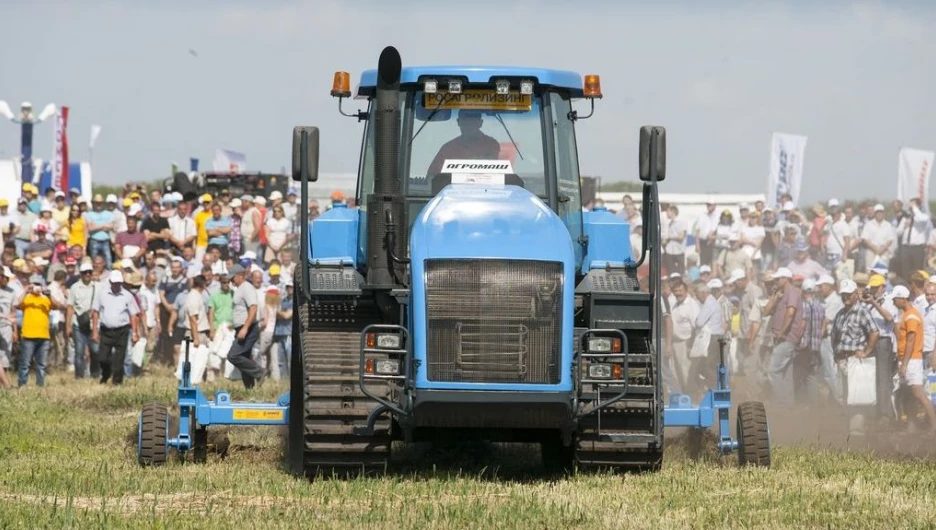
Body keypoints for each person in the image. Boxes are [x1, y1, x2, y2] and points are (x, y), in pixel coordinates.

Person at [889, 285, 936, 432]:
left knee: (918, 393)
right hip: (907, 359)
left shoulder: (911, 316)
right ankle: (912, 425)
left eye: (895, 299)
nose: (893, 302)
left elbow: (911, 341)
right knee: (906, 393)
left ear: (902, 299)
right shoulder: (908, 314)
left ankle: (934, 426)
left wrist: (904, 364)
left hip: (913, 359)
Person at [91, 270, 140, 385]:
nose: (117, 285)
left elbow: (134, 315)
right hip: (106, 330)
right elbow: (95, 312)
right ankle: (106, 373)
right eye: (114, 283)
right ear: (110, 282)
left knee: (119, 359)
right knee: (103, 357)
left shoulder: (128, 296)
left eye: (119, 283)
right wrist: (94, 331)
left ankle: (117, 382)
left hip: (122, 330)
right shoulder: (102, 294)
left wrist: (135, 332)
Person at [15, 274, 64, 387]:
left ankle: (40, 386)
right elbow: (17, 304)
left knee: (41, 364)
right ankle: (22, 385)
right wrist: (25, 290)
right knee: (25, 364)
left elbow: (58, 306)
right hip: (28, 336)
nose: (36, 287)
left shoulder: (46, 299)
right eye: (34, 284)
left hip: (44, 336)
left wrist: (49, 293)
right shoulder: (27, 298)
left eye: (38, 285)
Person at [225, 264, 265, 389]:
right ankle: (249, 389)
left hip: (249, 329)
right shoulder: (241, 289)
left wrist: (245, 328)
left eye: (233, 278)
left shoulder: (246, 288)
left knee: (233, 356)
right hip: (243, 328)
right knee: (244, 357)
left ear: (240, 276)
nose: (231, 281)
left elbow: (253, 308)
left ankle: (260, 372)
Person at [426, 109, 501, 177]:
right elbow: (432, 176)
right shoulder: (448, 148)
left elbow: (496, 174)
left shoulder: (491, 145)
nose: (469, 126)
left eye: (472, 122)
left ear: (480, 123)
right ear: (458, 122)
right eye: (465, 122)